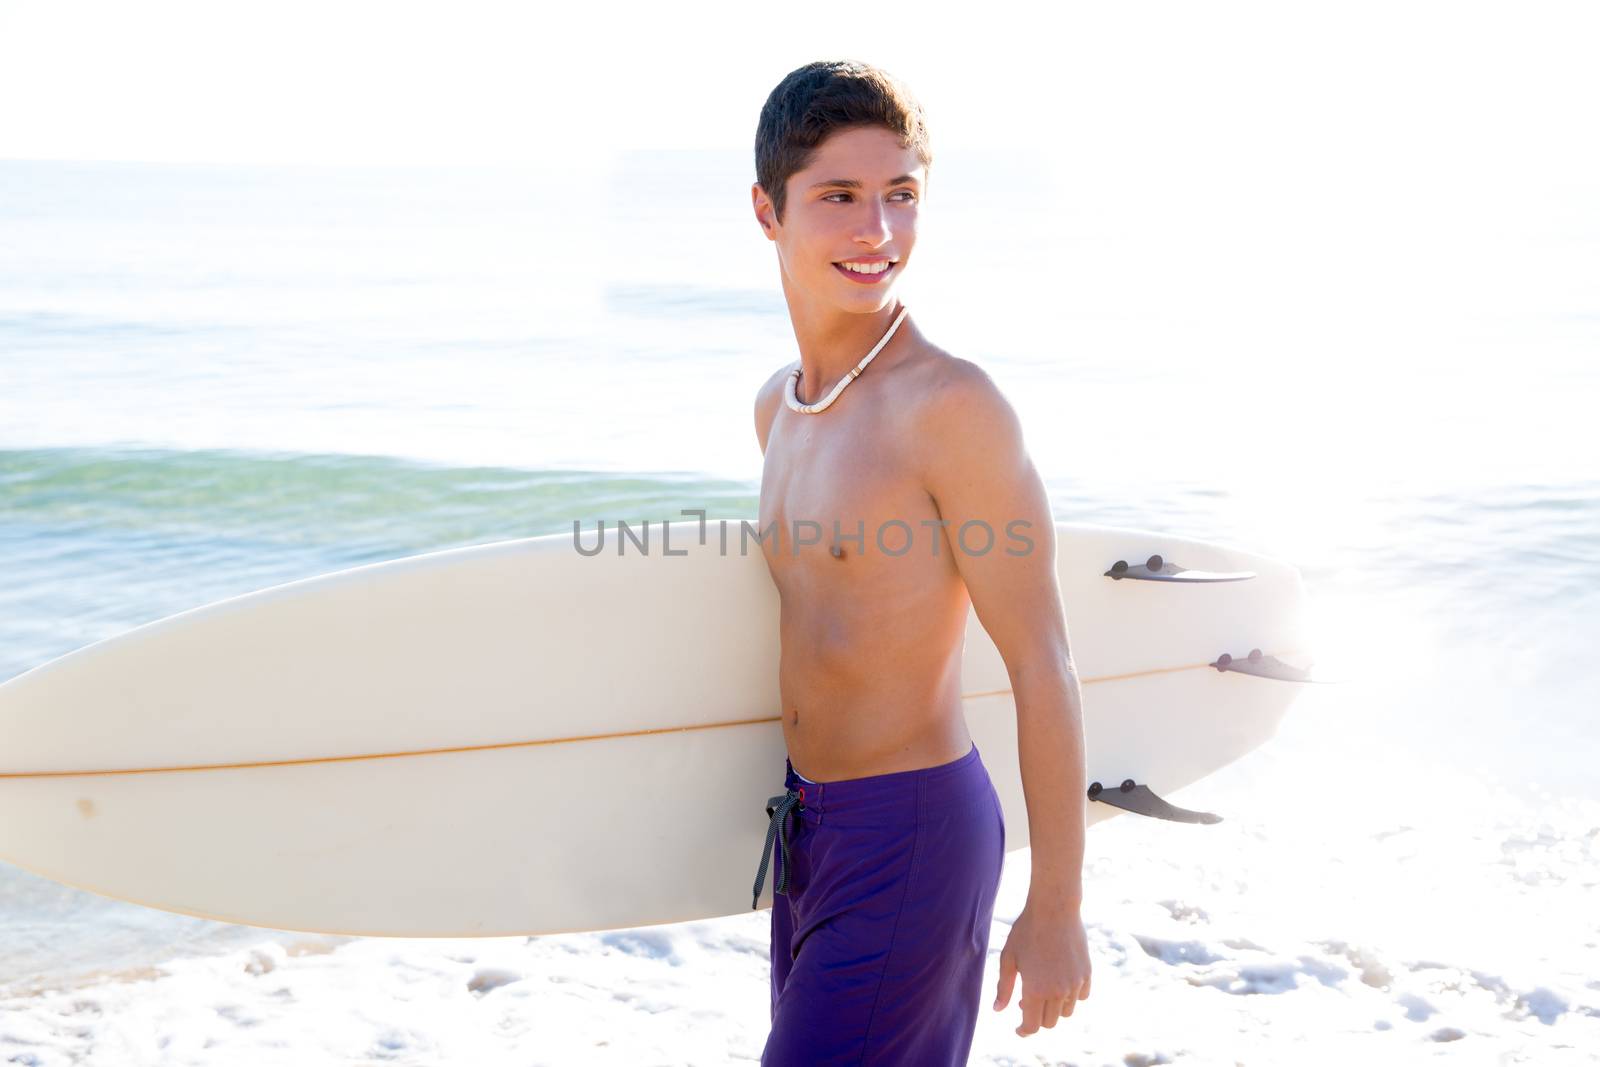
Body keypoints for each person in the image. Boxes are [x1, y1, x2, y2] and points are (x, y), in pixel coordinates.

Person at [746, 60, 1092, 1064]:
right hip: (806, 826)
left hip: (911, 837)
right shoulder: (780, 406)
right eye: (840, 197)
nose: (878, 233)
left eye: (901, 197)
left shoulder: (951, 408)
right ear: (768, 210)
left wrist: (1057, 906)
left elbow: (1043, 660)